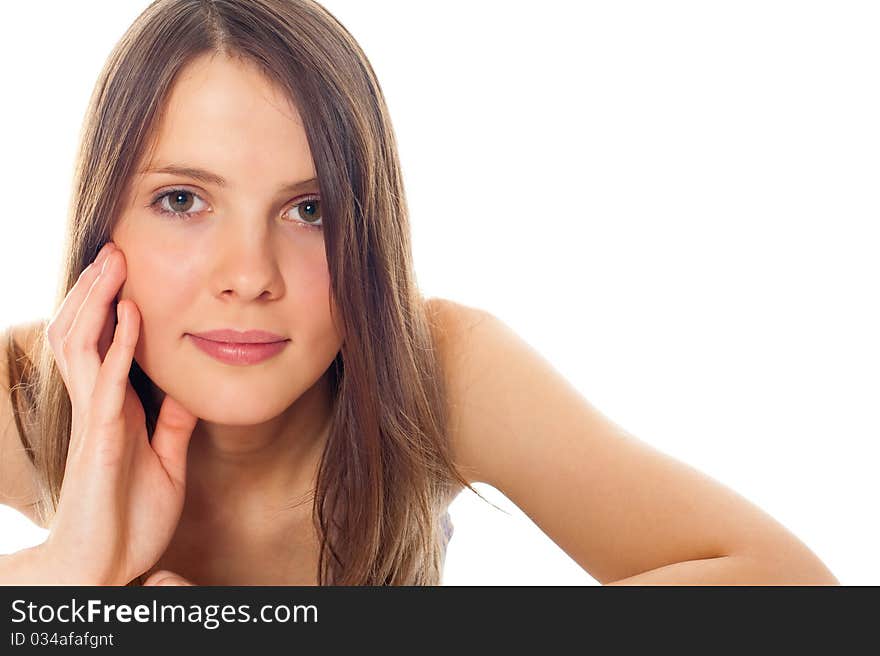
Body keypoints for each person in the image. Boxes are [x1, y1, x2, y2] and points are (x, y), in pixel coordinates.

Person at [0, 0, 838, 586]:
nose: (249, 275)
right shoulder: (30, 391)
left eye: (310, 209)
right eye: (183, 201)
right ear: (101, 222)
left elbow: (789, 587)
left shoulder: (435, 368)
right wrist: (64, 576)